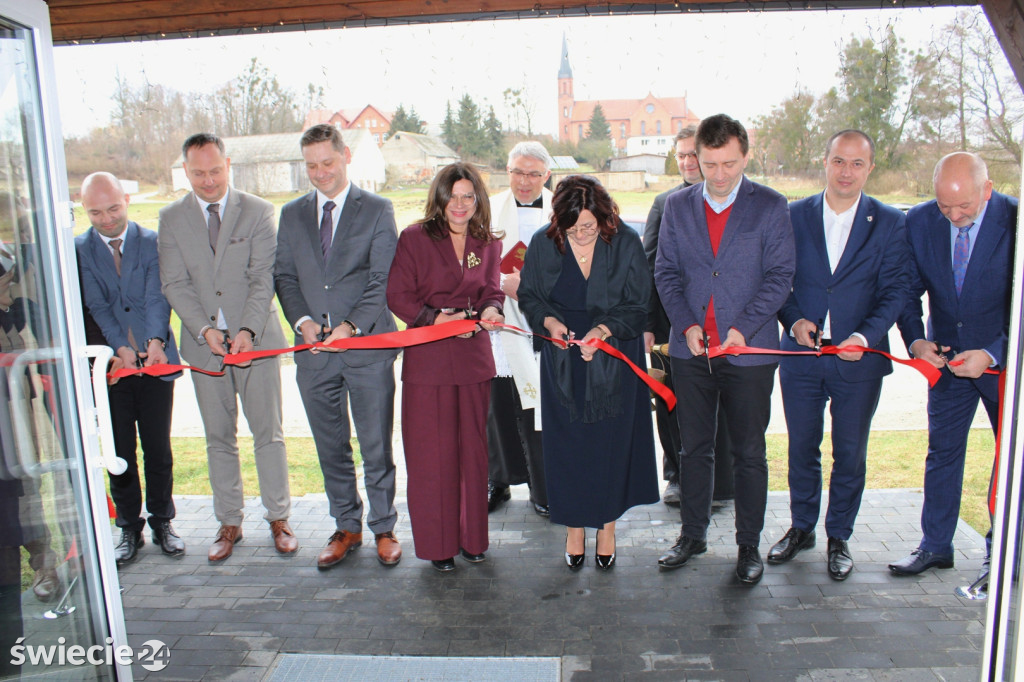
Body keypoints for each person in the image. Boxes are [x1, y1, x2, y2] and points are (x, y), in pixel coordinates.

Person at [654, 114, 795, 584]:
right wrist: (687, 325)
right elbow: (666, 274)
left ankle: (748, 545)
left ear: (745, 156)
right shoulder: (677, 206)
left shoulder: (772, 206)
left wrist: (745, 328)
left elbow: (780, 277)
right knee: (693, 449)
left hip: (748, 354)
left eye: (728, 164)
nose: (718, 175)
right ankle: (692, 535)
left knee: (750, 453)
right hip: (690, 351)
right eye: (708, 163)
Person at [768, 131, 910, 580]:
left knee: (849, 453)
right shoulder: (792, 216)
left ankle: (839, 535)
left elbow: (895, 291)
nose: (846, 172)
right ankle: (802, 528)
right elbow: (777, 281)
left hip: (858, 363)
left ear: (870, 168)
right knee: (801, 448)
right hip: (802, 358)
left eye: (856, 164)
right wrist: (793, 320)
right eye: (839, 161)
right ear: (824, 162)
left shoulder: (890, 221)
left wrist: (865, 337)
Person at [158, 133, 296, 563]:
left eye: (215, 170)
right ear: (185, 171)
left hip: (256, 344)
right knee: (218, 438)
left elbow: (262, 279)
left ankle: (279, 518)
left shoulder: (258, 211)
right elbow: (174, 284)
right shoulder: (171, 218)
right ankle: (229, 521)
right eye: (198, 173)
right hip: (204, 350)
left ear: (228, 164)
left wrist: (248, 331)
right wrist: (202, 330)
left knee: (268, 434)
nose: (208, 180)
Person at [275, 124, 402, 569]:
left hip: (366, 350)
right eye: (310, 166)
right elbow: (285, 277)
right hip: (312, 356)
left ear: (345, 156)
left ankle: (384, 526)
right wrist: (303, 321)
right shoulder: (291, 215)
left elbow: (381, 279)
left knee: (375, 446)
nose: (320, 172)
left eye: (327, 162)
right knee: (330, 446)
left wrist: (350, 326)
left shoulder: (378, 210)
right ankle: (346, 526)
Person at [518, 174, 658, 570]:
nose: (580, 235)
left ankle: (607, 527)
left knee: (608, 447)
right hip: (563, 359)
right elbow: (529, 295)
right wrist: (548, 323)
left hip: (615, 355)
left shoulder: (626, 241)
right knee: (568, 448)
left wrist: (603, 330)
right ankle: (575, 526)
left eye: (589, 228)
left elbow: (638, 303)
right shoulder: (543, 244)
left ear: (604, 218)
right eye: (572, 228)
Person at [891, 152, 1015, 576]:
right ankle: (936, 545)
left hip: (1001, 363)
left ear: (987, 189)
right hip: (945, 361)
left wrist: (993, 352)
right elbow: (906, 289)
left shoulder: (1016, 221)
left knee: (1010, 456)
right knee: (942, 452)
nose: (954, 215)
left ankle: (1004, 553)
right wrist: (916, 339)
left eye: (964, 206)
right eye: (945, 206)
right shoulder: (921, 220)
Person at [386, 163, 505, 572]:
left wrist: (491, 308)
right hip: (430, 360)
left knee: (472, 452)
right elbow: (398, 295)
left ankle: (473, 539)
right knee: (432, 456)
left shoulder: (486, 242)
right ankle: (438, 545)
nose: (460, 204)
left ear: (478, 201)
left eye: (468, 197)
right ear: (440, 198)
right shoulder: (415, 238)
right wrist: (438, 321)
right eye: (452, 196)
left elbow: (492, 289)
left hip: (473, 360)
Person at [76, 172, 184, 566]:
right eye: (95, 212)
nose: (106, 219)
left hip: (156, 362)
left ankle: (162, 521)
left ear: (127, 199)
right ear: (82, 208)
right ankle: (128, 526)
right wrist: (118, 349)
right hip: (113, 367)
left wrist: (155, 341)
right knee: (119, 450)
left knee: (158, 448)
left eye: (113, 208)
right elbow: (97, 305)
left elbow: (159, 294)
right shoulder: (80, 249)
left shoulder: (153, 241)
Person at [643, 126, 732, 507]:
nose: (686, 162)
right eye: (680, 156)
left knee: (721, 408)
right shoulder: (665, 204)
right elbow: (650, 267)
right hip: (669, 328)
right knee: (669, 404)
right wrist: (648, 324)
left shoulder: (734, 200)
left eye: (691, 154)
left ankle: (721, 482)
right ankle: (677, 476)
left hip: (722, 328)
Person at [486, 141, 553, 516]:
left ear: (546, 176)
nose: (524, 181)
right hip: (500, 321)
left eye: (533, 174)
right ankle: (499, 479)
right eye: (517, 172)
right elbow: (472, 262)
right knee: (499, 405)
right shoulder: (489, 208)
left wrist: (529, 287)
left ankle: (545, 485)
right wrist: (498, 282)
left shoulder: (563, 210)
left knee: (542, 407)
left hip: (544, 323)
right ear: (507, 171)